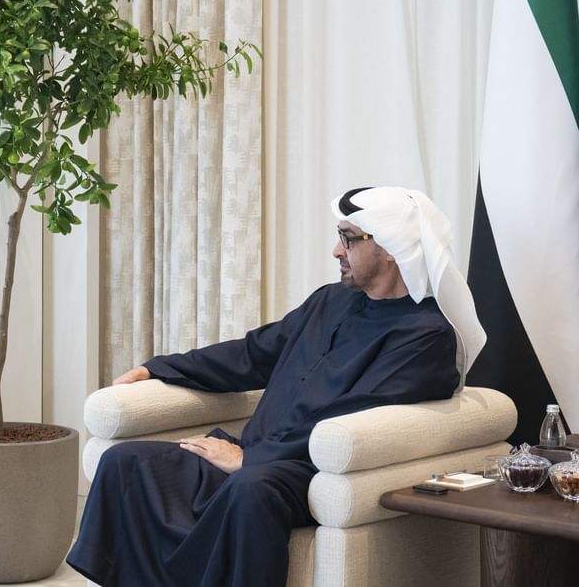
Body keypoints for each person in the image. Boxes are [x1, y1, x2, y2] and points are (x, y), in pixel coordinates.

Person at [67, 186, 486, 587]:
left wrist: (250, 459)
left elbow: (356, 416)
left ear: (392, 248)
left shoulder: (426, 335)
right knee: (124, 462)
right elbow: (253, 353)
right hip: (255, 455)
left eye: (349, 239)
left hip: (306, 470)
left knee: (250, 489)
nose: (336, 250)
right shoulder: (330, 300)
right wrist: (158, 368)